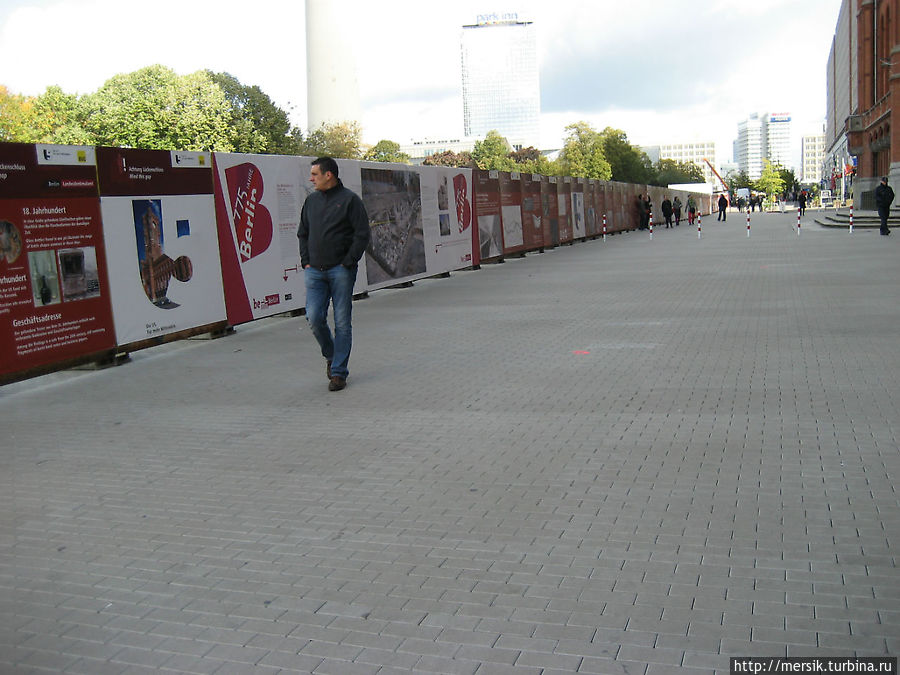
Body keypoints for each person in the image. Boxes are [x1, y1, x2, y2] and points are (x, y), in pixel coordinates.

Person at [297, 157, 371, 391]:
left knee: (342, 322)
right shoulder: (311, 201)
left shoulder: (350, 200)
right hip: (314, 272)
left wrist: (348, 262)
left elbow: (362, 234)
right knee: (314, 317)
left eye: (315, 174)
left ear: (329, 175)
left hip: (341, 270)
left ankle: (338, 372)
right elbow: (303, 233)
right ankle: (331, 355)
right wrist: (306, 262)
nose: (311, 179)